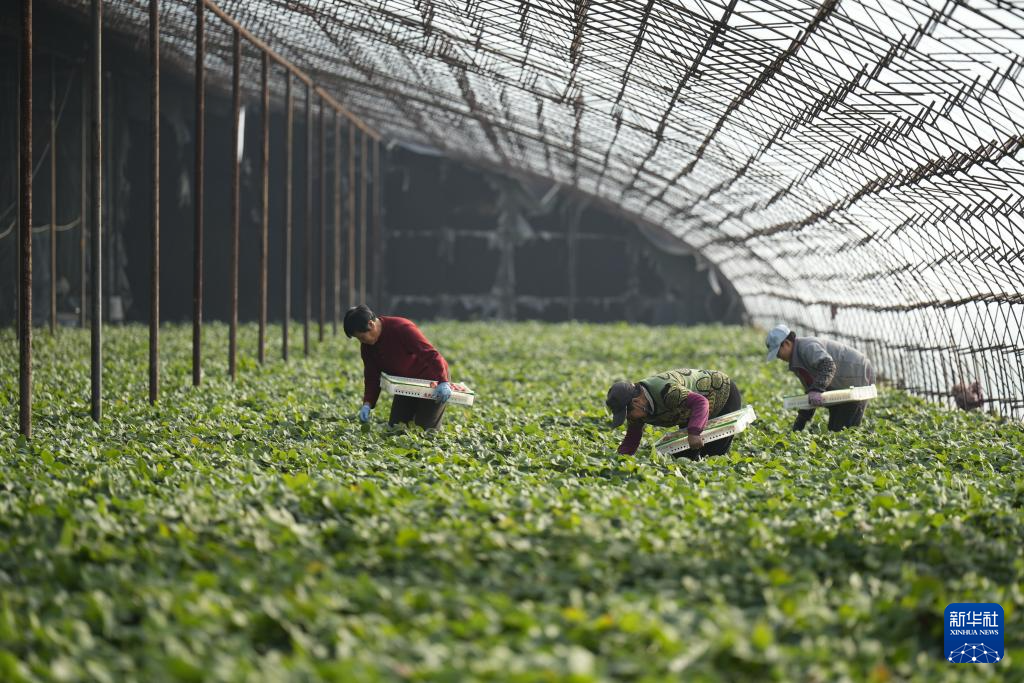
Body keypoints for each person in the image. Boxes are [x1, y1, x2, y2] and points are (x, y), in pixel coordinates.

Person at [344, 305, 452, 429]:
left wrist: (443, 381)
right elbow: (372, 376)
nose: (362, 341)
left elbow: (430, 354)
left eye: (362, 337)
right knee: (396, 427)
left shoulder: (402, 328)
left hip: (432, 379)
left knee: (425, 430)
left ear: (371, 324)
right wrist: (367, 403)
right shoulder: (367, 347)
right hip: (406, 382)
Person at [605, 368, 742, 459]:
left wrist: (694, 433)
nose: (629, 419)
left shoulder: (668, 391)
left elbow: (701, 403)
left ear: (636, 402)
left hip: (722, 394)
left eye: (627, 414)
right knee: (683, 457)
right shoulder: (637, 409)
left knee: (712, 453)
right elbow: (631, 439)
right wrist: (620, 459)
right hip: (689, 412)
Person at [764, 324, 874, 432]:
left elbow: (828, 365)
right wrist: (798, 425)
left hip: (859, 375)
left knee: (844, 430)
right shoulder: (797, 360)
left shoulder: (807, 347)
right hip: (841, 384)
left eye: (777, 353)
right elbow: (811, 392)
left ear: (787, 343)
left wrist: (817, 389)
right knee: (834, 429)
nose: (778, 357)